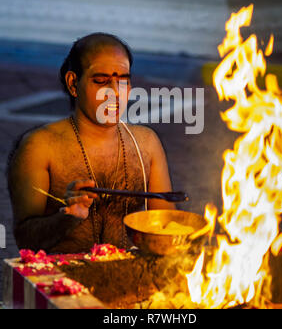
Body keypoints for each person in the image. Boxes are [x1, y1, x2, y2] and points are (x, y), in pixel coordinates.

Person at [7, 33, 174, 254]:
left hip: (128, 278)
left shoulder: (147, 143)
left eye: (123, 80)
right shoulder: (39, 147)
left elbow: (166, 227)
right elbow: (25, 240)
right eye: (101, 81)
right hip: (60, 281)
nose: (115, 93)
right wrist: (66, 217)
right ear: (73, 84)